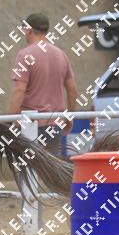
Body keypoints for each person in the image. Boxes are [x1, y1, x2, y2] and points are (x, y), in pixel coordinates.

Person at [8, 12, 78, 153]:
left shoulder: (25, 55)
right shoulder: (61, 54)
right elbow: (72, 90)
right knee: (51, 165)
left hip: (30, 124)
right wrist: (68, 115)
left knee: (28, 165)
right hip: (55, 124)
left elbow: (19, 90)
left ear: (29, 30)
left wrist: (10, 120)